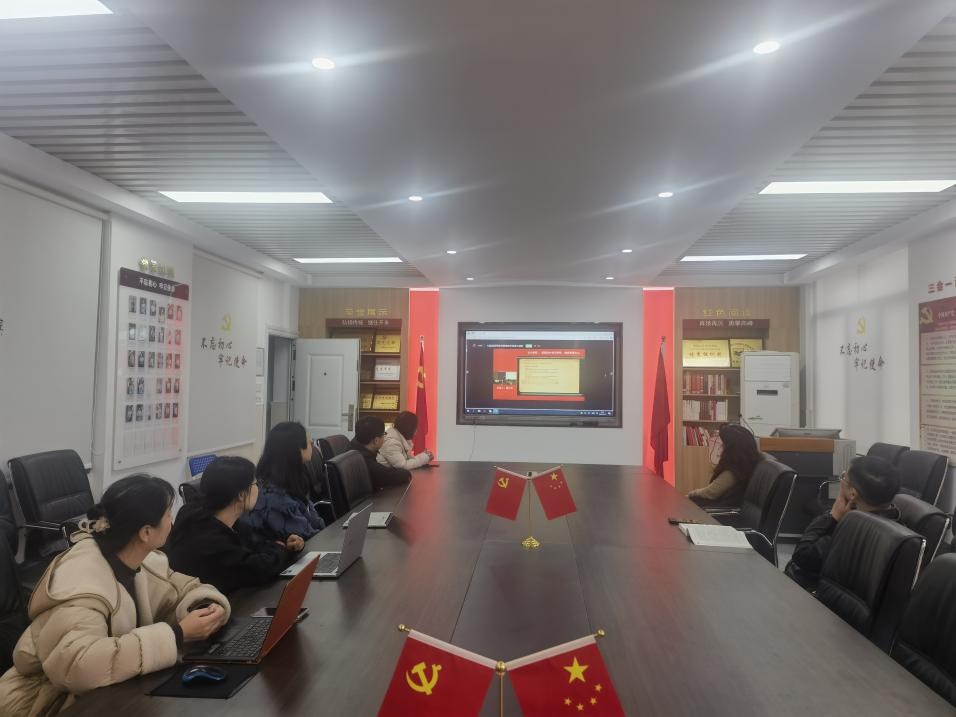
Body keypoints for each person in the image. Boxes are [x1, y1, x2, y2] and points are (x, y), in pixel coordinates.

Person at [0, 475, 230, 716]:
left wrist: (204, 605)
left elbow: (182, 587)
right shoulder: (80, 581)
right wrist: (177, 635)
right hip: (44, 703)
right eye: (167, 515)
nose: (172, 522)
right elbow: (79, 666)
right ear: (146, 532)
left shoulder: (139, 558)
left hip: (104, 693)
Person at [167, 457, 298, 594]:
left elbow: (254, 544)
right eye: (255, 484)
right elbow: (260, 569)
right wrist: (282, 549)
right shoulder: (210, 539)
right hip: (217, 603)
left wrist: (283, 545)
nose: (258, 488)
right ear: (241, 495)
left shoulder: (210, 516)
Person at [785, 455, 902, 592]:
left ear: (853, 494)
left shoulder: (854, 531)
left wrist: (833, 515)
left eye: (844, 477)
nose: (841, 481)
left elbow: (802, 555)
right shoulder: (895, 520)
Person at [241, 422, 324, 543]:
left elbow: (313, 519)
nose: (313, 445)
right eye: (310, 443)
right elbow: (308, 537)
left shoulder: (288, 479)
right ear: (297, 450)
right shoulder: (276, 498)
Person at [687, 424, 761, 507]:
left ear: (732, 447)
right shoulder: (745, 464)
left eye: (723, 444)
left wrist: (690, 494)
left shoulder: (734, 471)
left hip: (720, 509)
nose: (721, 447)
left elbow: (710, 493)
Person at [350, 416, 412, 488]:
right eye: (384, 434)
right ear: (376, 440)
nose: (384, 437)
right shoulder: (366, 462)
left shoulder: (354, 447)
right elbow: (401, 475)